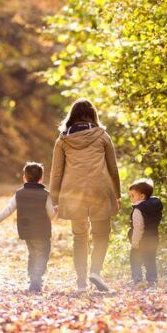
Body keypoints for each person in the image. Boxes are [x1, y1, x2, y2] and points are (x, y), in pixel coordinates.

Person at [49, 98, 121, 293]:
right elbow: (113, 168)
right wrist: (117, 194)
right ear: (93, 115)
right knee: (102, 234)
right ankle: (95, 271)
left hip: (73, 193)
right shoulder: (102, 135)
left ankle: (81, 282)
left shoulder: (63, 140)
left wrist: (54, 200)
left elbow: (56, 172)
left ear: (71, 115)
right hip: (100, 189)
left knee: (79, 237)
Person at [0, 162, 56, 293]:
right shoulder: (45, 194)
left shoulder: (19, 194)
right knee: (43, 255)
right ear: (41, 178)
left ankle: (33, 278)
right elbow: (51, 215)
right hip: (42, 231)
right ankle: (36, 279)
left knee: (32, 254)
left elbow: (8, 209)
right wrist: (56, 210)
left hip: (26, 231)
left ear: (24, 178)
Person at [128, 178, 163, 286]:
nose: (131, 198)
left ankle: (137, 279)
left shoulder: (138, 210)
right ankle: (152, 280)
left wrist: (135, 243)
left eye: (132, 195)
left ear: (142, 196)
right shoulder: (155, 206)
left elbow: (139, 228)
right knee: (150, 260)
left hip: (141, 241)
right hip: (153, 239)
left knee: (135, 258)